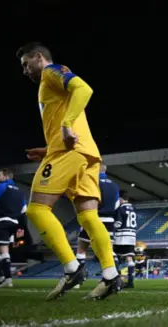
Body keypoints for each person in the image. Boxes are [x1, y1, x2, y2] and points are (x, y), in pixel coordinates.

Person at [16, 42, 121, 300]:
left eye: (26, 64)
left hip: (68, 151)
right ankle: (110, 276)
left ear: (38, 57)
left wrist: (65, 125)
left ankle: (72, 268)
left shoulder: (52, 72)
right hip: (85, 153)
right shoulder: (49, 84)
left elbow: (84, 88)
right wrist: (47, 147)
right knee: (87, 218)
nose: (24, 71)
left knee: (37, 209)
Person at [75, 164, 120, 288]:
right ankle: (114, 279)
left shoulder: (91, 181)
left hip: (93, 217)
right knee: (109, 250)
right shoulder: (114, 185)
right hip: (109, 220)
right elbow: (117, 205)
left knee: (82, 248)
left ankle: (78, 281)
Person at [0, 168, 27, 288]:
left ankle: (7, 278)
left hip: (1, 221)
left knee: (3, 251)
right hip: (13, 222)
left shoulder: (1, 187)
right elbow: (24, 210)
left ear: (6, 177)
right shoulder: (20, 191)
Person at [113, 190, 137, 288]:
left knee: (114, 255)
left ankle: (116, 279)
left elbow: (118, 223)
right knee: (129, 258)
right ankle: (130, 282)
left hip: (122, 236)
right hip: (132, 236)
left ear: (120, 199)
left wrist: (111, 227)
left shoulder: (121, 209)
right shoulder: (133, 208)